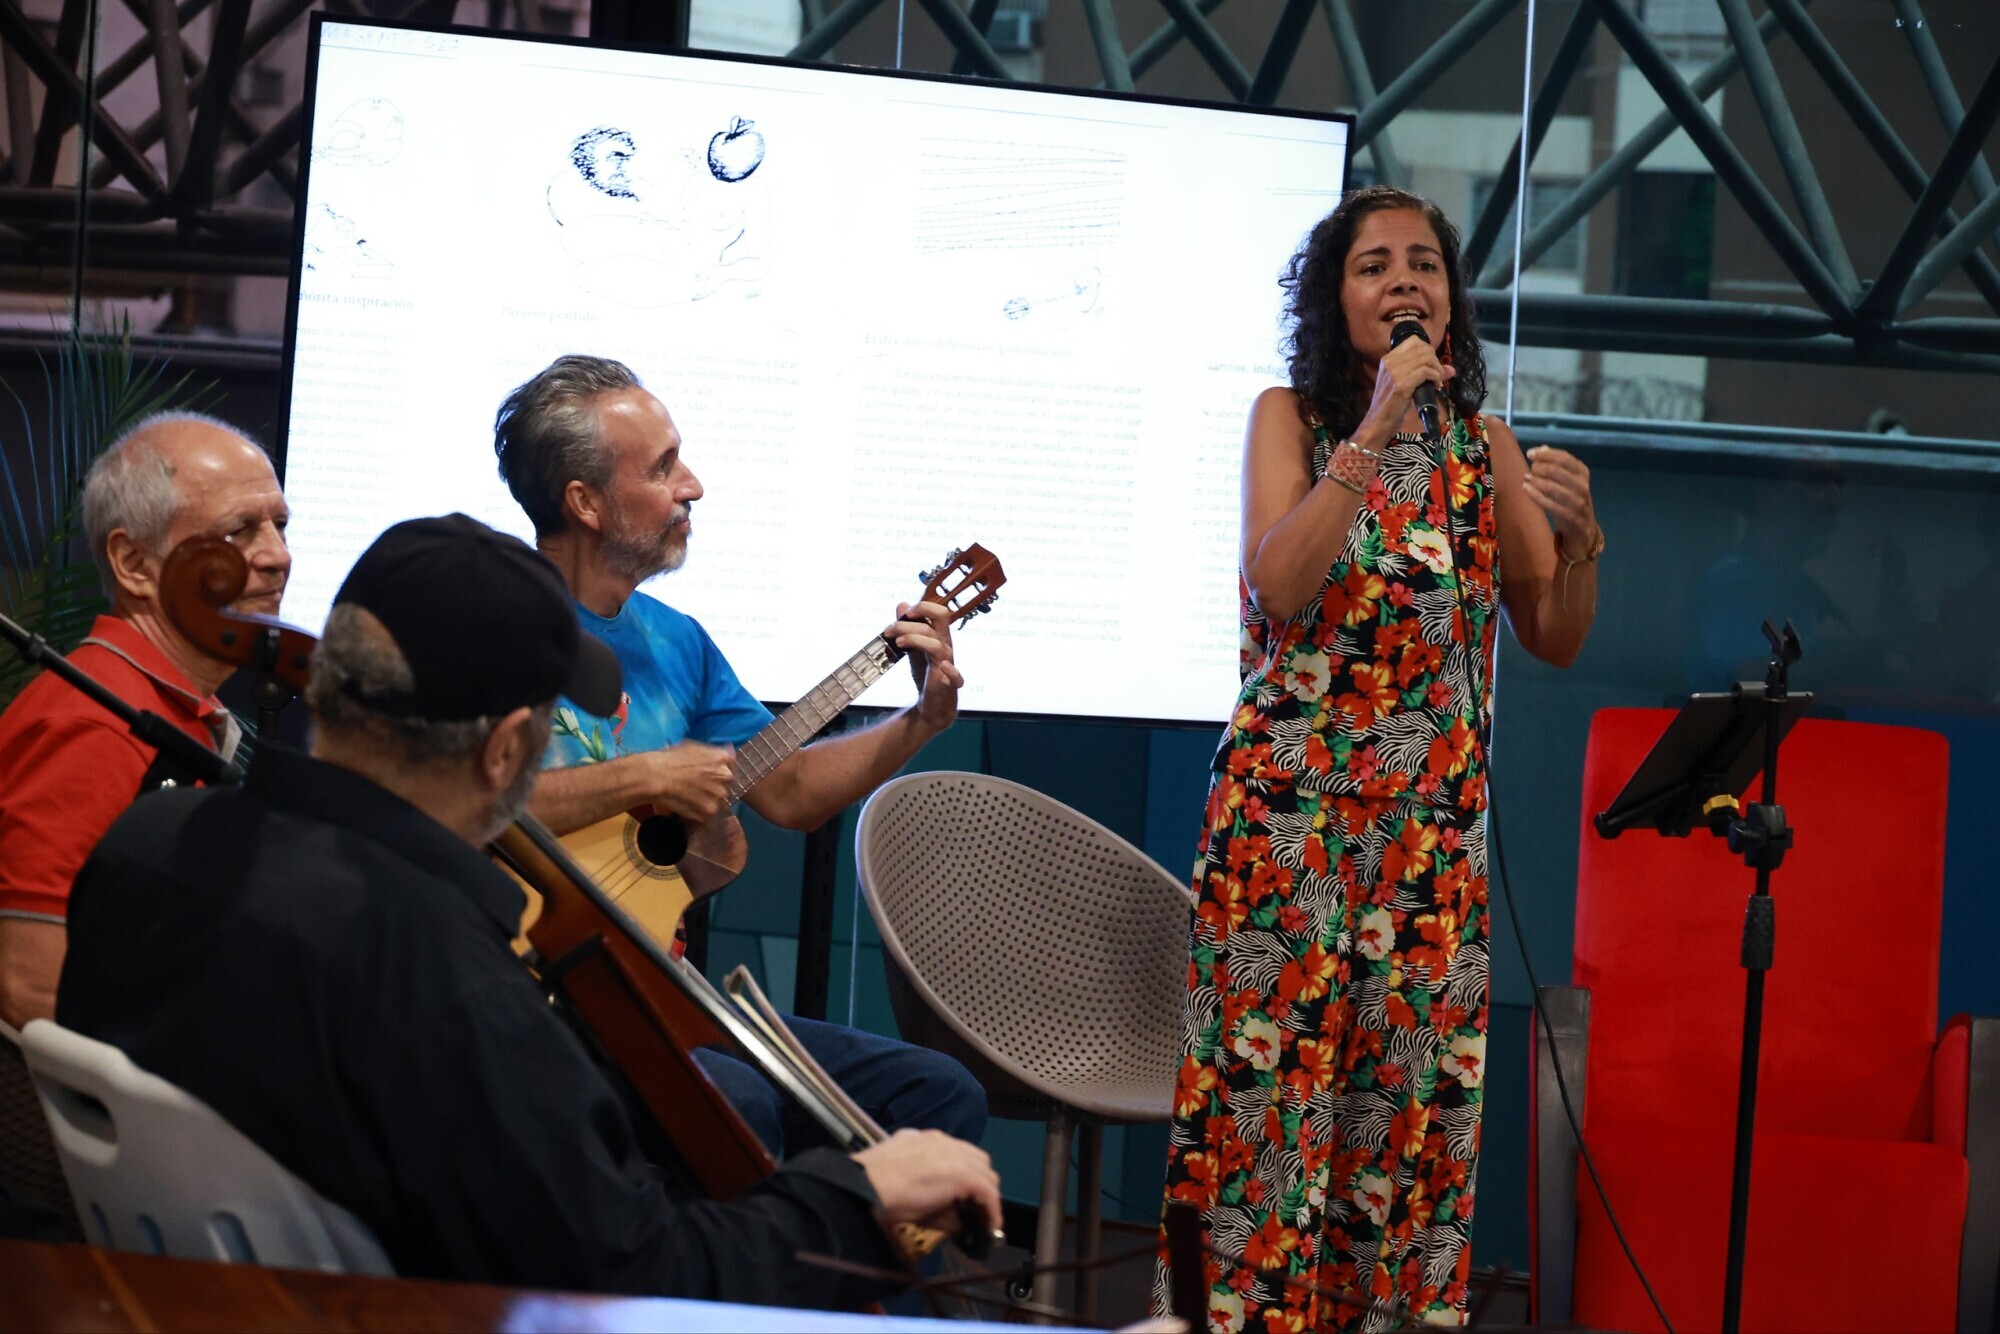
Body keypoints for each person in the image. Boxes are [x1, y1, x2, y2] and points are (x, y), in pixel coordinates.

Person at [55, 513, 1002, 1307]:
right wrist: (856, 1193)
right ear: (506, 751)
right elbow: (637, 1276)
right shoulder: (445, 975)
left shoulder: (145, 843)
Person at [1157, 186, 1601, 1332]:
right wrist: (1372, 429)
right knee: (1267, 1126)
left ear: (1449, 298)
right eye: (1373, 265)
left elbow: (1551, 632)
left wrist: (1583, 542)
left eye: (1423, 263)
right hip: (1288, 833)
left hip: (1427, 848)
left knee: (1403, 1135)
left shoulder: (1481, 447)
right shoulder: (1291, 419)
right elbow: (1279, 581)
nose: (1404, 279)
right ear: (1333, 298)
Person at [492, 354, 987, 1159]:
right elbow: (453, 799)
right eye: (663, 468)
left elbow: (789, 790)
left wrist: (921, 720)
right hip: (524, 989)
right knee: (739, 1101)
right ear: (584, 502)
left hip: (658, 990)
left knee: (935, 1092)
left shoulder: (677, 641)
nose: (692, 486)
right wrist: (647, 774)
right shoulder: (489, 620)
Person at [0, 412, 290, 1030]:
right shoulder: (93, 727)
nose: (278, 556)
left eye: (280, 525)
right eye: (239, 531)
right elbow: (30, 986)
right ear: (134, 562)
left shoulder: (167, 705)